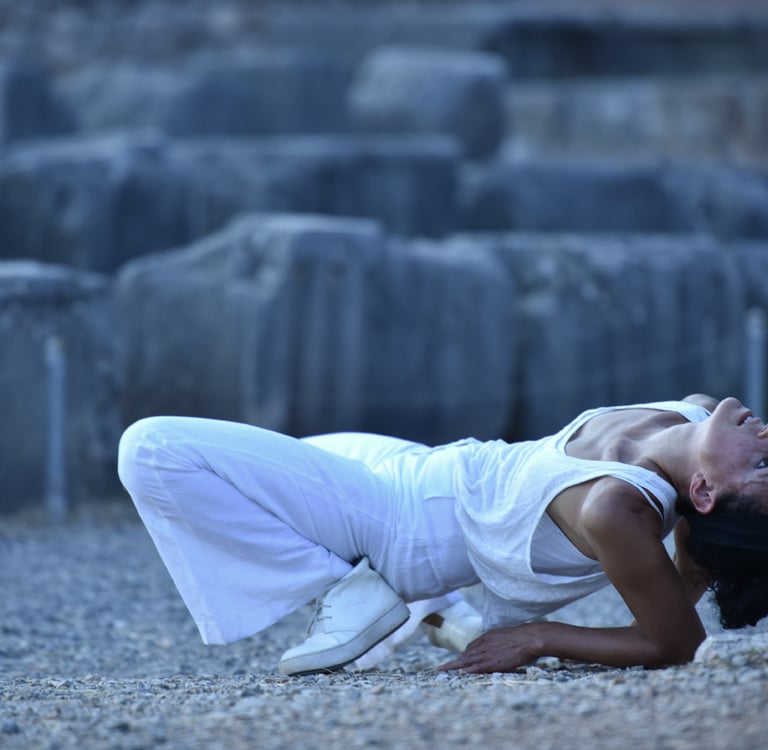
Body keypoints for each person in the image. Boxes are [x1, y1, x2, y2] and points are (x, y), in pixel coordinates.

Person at [116, 394, 768, 676]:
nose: (764, 436)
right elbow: (712, 534)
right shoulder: (689, 412)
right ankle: (433, 611)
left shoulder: (618, 507)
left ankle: (360, 592)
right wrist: (705, 550)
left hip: (399, 526)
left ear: (704, 492)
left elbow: (675, 642)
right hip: (420, 465)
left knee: (153, 448)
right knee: (254, 477)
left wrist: (540, 637)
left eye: (762, 466)